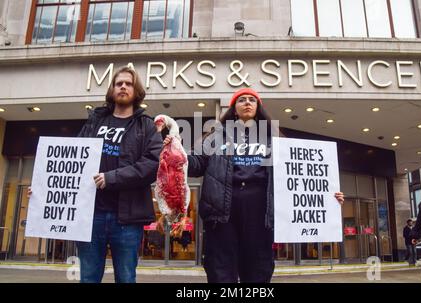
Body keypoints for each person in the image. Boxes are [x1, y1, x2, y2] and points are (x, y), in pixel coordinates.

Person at [164, 88, 344, 283]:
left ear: (258, 107)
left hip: (260, 212)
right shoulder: (215, 136)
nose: (247, 103)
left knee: (258, 269)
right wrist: (176, 151)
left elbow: (299, 174)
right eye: (242, 100)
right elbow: (196, 164)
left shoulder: (274, 138)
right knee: (220, 269)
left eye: (252, 100)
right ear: (234, 108)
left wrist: (327, 194)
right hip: (221, 212)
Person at [28, 66, 162, 283]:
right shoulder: (95, 121)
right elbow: (70, 161)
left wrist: (112, 178)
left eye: (128, 83)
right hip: (90, 217)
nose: (123, 87)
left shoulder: (146, 126)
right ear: (112, 90)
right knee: (88, 278)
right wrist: (43, 190)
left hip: (127, 220)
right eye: (119, 83)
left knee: (126, 278)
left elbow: (152, 165)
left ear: (136, 91)